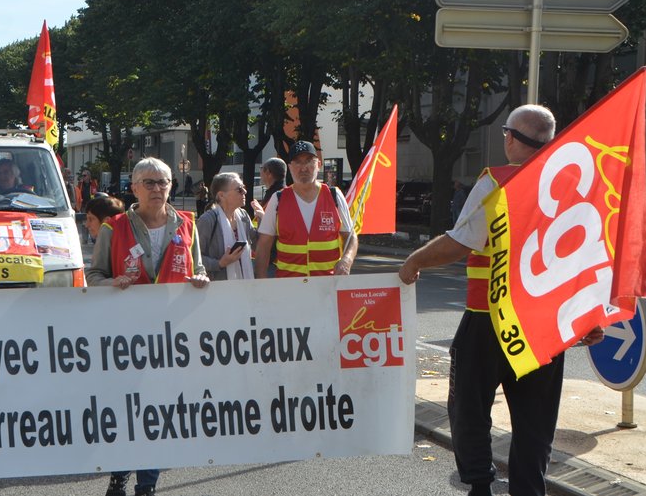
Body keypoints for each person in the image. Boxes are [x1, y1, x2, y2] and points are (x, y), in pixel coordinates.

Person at [398, 105, 604, 496]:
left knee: (468, 410)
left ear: (510, 137)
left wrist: (414, 261)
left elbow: (460, 242)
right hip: (543, 327)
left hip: (487, 319)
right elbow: (585, 260)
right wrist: (588, 317)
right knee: (535, 420)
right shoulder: (570, 188)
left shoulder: (496, 181)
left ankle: (480, 486)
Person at [86, 157, 209, 496]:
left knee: (159, 412)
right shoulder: (114, 228)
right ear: (135, 188)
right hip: (125, 337)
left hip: (170, 338)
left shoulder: (188, 224)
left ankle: (148, 484)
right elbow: (92, 277)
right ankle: (119, 474)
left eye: (163, 182)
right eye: (150, 182)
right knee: (127, 410)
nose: (157, 188)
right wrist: (112, 283)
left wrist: (201, 278)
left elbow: (198, 271)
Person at [253, 141, 357, 278]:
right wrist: (260, 285)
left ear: (318, 165)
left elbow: (350, 237)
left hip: (327, 284)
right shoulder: (278, 199)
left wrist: (347, 260)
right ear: (290, 167)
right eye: (298, 162)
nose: (303, 168)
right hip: (289, 285)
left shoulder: (334, 196)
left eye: (309, 161)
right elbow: (264, 245)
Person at [196, 172, 264, 281]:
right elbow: (194, 257)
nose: (245, 192)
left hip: (244, 287)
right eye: (239, 189)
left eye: (244, 188)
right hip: (217, 290)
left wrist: (262, 218)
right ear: (221, 195)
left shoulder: (243, 216)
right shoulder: (207, 220)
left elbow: (258, 245)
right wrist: (220, 263)